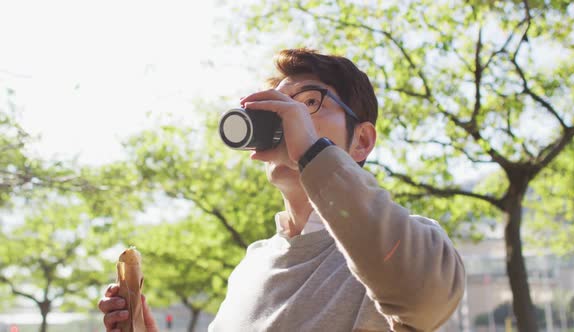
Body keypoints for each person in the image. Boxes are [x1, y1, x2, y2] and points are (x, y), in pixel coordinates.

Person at [98, 48, 465, 332]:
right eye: (280, 109)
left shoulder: (402, 244)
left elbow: (426, 297)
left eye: (309, 103)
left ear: (362, 142)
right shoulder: (251, 266)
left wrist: (310, 152)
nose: (289, 119)